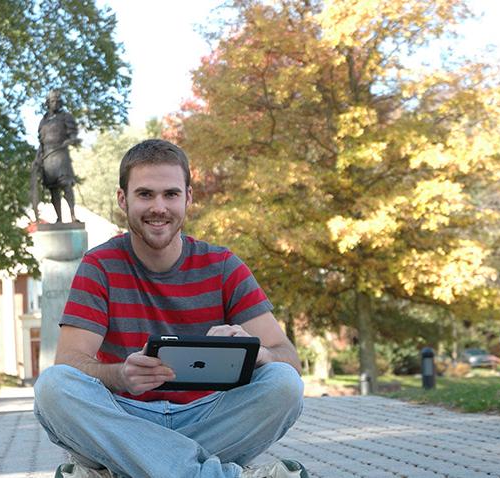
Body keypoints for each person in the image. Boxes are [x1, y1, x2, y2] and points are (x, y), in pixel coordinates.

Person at [33, 139, 307, 478]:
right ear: (123, 199)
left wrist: (258, 352)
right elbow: (69, 361)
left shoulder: (224, 266)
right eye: (145, 194)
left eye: (171, 194)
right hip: (125, 414)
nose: (158, 207)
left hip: (208, 418)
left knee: (284, 383)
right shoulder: (98, 265)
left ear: (188, 198)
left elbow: (289, 358)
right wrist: (120, 374)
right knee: (53, 386)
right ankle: (219, 474)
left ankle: (127, 467)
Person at [32, 90, 82, 223]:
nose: (56, 103)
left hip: (60, 155)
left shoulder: (66, 117)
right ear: (48, 103)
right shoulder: (43, 121)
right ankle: (59, 218)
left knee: (66, 184)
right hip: (47, 158)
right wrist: (37, 159)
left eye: (58, 101)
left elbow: (73, 136)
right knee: (53, 189)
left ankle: (72, 215)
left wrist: (70, 140)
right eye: (53, 101)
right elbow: (41, 143)